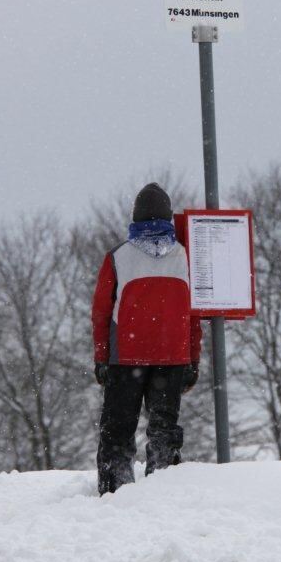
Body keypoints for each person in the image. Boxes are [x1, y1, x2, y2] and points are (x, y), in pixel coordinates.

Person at [91, 183, 202, 495]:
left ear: (135, 218)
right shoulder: (186, 257)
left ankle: (116, 490)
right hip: (172, 357)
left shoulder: (117, 258)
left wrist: (101, 357)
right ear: (168, 217)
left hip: (125, 358)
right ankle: (162, 490)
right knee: (164, 430)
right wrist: (193, 358)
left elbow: (101, 313)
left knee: (118, 429)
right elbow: (193, 317)